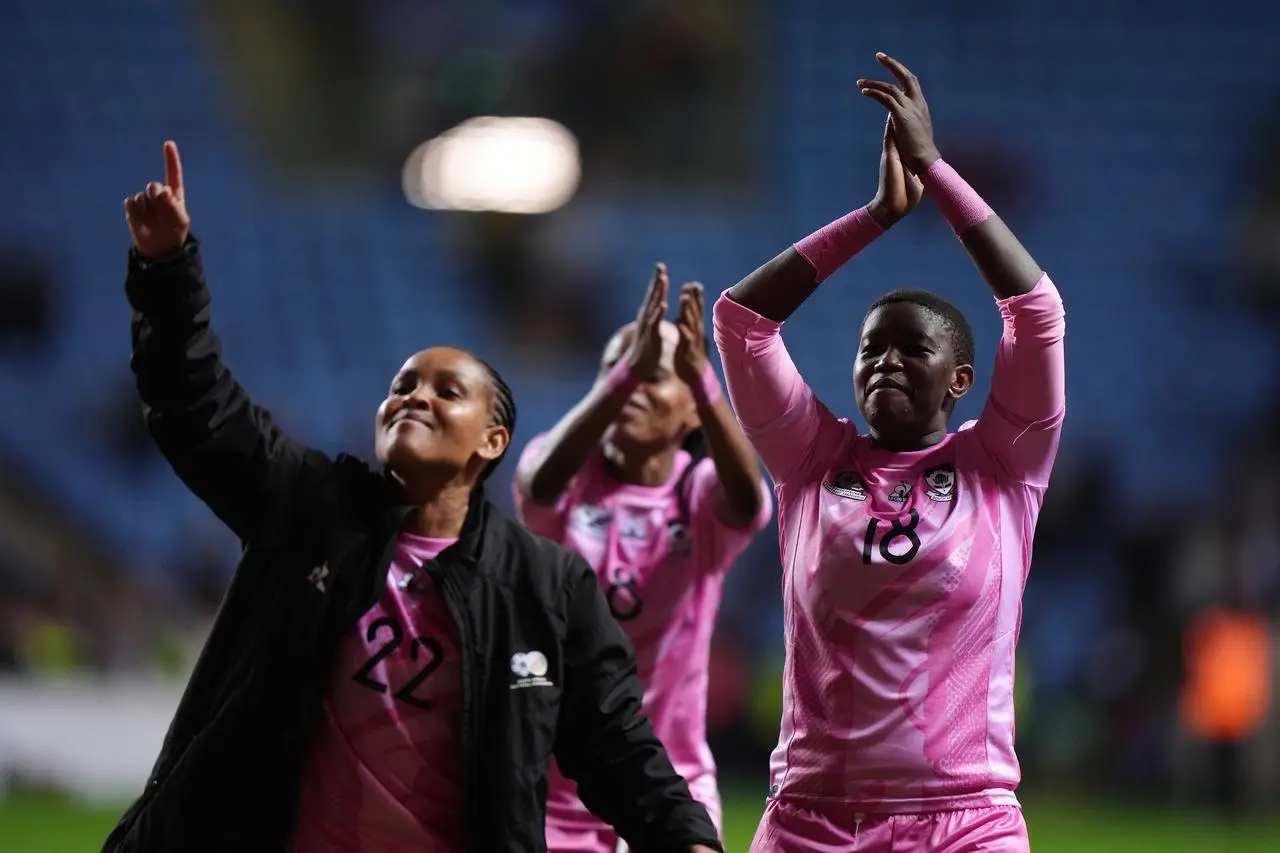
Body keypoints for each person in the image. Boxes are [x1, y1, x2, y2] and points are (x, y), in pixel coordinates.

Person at [104, 141, 723, 853]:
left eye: (446, 390)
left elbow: (616, 741)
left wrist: (688, 838)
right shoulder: (308, 508)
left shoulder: (542, 586)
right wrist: (167, 269)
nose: (414, 396)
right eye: (401, 385)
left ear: (492, 441)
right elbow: (196, 406)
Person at [712, 54, 1066, 852]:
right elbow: (739, 322)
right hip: (811, 818)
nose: (886, 364)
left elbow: (1035, 311)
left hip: (966, 822)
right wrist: (875, 217)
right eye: (872, 350)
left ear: (962, 379)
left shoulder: (1004, 466)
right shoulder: (810, 459)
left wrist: (936, 171)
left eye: (913, 350)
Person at [514, 267, 773, 851]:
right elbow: (537, 485)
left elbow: (750, 500)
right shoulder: (565, 480)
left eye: (651, 377)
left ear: (689, 411)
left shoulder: (699, 495)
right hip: (554, 790)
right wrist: (632, 369)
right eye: (614, 371)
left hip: (669, 777)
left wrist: (707, 380)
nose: (627, 387)